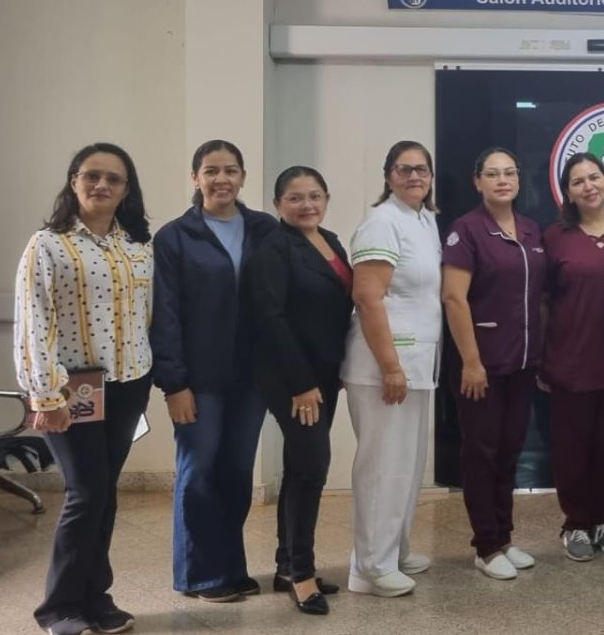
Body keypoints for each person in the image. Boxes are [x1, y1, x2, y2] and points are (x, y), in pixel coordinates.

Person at [14, 143, 154, 635]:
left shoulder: (137, 246)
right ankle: (59, 607)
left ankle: (96, 597)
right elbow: (33, 323)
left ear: (126, 190)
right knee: (86, 492)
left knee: (103, 493)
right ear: (74, 181)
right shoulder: (47, 245)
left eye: (113, 179)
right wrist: (46, 397)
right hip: (69, 390)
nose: (101, 185)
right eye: (92, 175)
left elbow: (147, 315)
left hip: (128, 385)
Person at [151, 140, 278, 603]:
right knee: (199, 469)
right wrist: (174, 383)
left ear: (243, 177)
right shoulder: (175, 237)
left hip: (251, 378)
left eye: (230, 170)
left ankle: (229, 567)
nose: (221, 179)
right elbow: (164, 315)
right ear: (196, 178)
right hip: (198, 379)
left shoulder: (264, 229)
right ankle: (201, 574)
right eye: (211, 170)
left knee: (237, 470)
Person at [246, 166, 352, 616]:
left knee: (299, 468)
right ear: (277, 204)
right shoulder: (273, 249)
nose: (306, 205)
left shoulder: (329, 240)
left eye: (314, 196)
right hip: (292, 377)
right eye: (295, 198)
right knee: (311, 468)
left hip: (324, 374)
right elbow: (271, 320)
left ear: (326, 199)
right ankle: (302, 575)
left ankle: (287, 565)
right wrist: (302, 384)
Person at [343, 141, 443, 596]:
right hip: (384, 366)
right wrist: (390, 366)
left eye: (421, 169)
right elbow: (368, 298)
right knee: (382, 467)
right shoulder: (381, 222)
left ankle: (394, 551)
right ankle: (370, 568)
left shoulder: (423, 220)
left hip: (416, 360)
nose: (414, 176)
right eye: (404, 169)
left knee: (407, 465)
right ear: (388, 176)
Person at [442, 147, 547, 580]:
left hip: (521, 362)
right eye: (492, 174)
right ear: (477, 181)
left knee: (509, 451)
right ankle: (485, 546)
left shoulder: (531, 229)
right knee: (482, 454)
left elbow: (539, 297)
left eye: (509, 173)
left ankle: (504, 537)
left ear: (519, 180)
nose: (502, 180)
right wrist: (471, 361)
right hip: (480, 364)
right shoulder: (466, 230)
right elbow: (453, 298)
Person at [542, 153, 604, 562]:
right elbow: (543, 301)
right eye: (578, 181)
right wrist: (543, 356)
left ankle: (603, 519)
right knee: (572, 448)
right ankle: (576, 523)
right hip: (571, 360)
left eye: (594, 177)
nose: (588, 186)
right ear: (567, 192)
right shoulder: (555, 236)